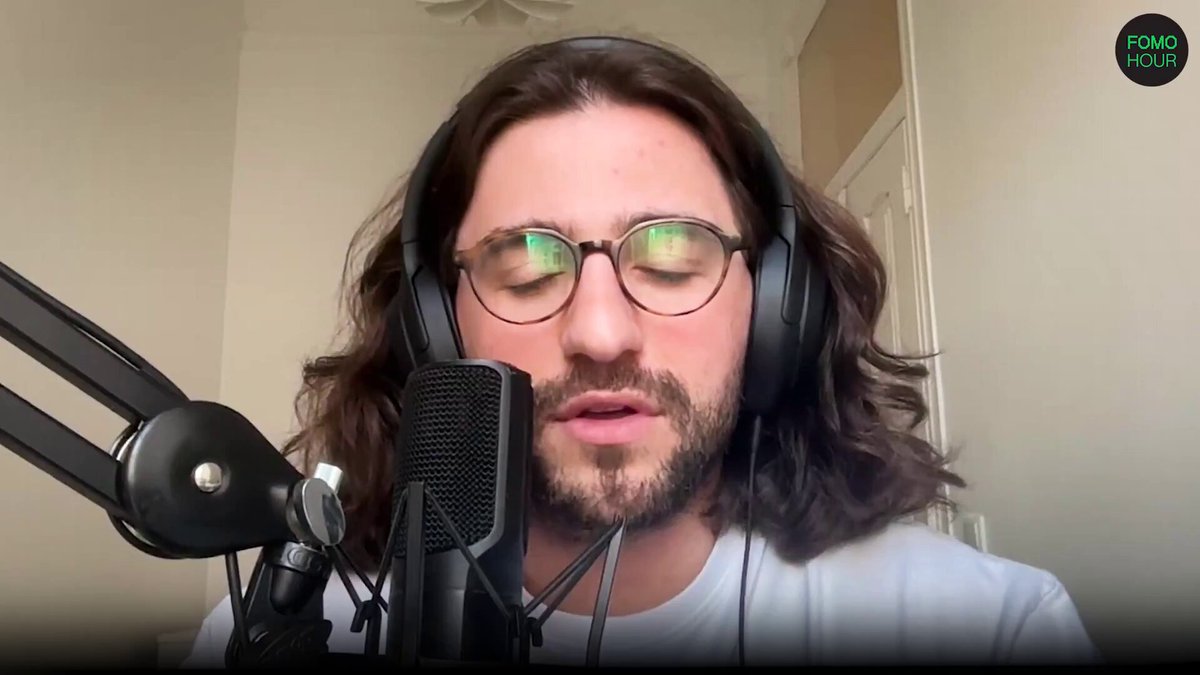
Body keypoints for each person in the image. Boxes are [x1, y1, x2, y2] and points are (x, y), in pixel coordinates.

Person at [183, 35, 1099, 667]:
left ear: (777, 307)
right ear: (435, 324)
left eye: (668, 256)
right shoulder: (276, 635)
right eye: (525, 264)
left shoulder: (994, 627)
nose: (600, 333)